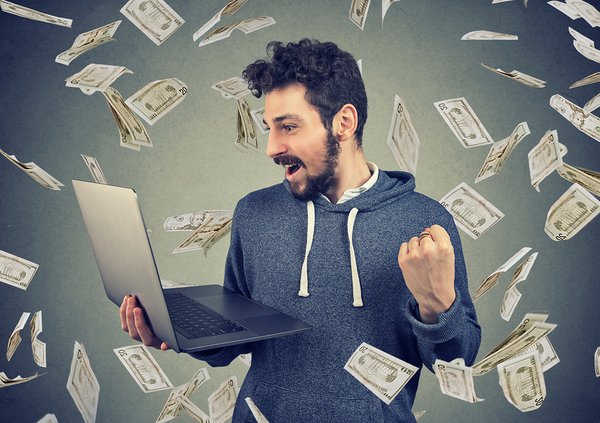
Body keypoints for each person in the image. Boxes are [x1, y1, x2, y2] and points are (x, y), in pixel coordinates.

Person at [121, 39, 481, 422]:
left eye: (288, 127)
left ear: (344, 123)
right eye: (269, 129)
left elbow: (454, 362)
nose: (272, 148)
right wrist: (175, 330)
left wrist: (436, 306)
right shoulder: (254, 212)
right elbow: (232, 342)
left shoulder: (423, 221)